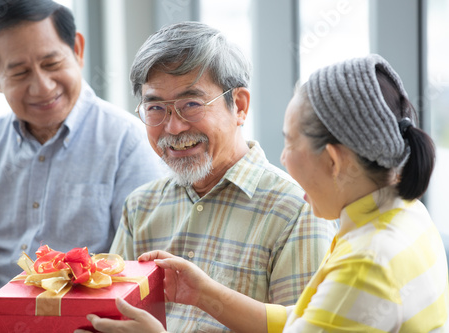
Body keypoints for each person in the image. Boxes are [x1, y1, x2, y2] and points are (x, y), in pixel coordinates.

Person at [77, 54, 449, 332]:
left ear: (333, 161)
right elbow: (302, 319)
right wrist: (205, 293)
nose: (282, 158)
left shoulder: (366, 263)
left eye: (290, 143)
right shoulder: (403, 213)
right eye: (157, 107)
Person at [107, 21, 337, 332]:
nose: (173, 127)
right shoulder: (140, 207)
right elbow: (110, 316)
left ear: (239, 106)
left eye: (191, 104)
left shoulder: (296, 209)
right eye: (156, 108)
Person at [0, 0, 164, 292]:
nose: (43, 87)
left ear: (77, 50)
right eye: (20, 73)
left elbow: (141, 272)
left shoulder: (128, 142)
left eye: (52, 64)